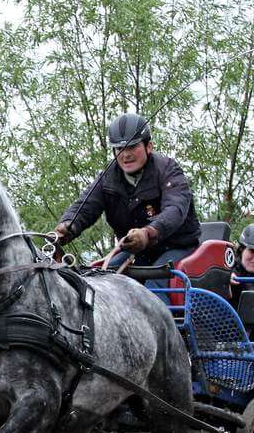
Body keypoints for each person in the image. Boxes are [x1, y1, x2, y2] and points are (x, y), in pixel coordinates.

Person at [54, 113, 201, 296]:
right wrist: (67, 227)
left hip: (177, 246)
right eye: (119, 148)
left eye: (132, 147)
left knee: (155, 283)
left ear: (149, 146)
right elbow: (85, 207)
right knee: (100, 279)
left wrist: (147, 233)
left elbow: (175, 210)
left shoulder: (168, 170)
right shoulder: (108, 178)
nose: (126, 154)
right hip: (137, 252)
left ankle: (161, 315)